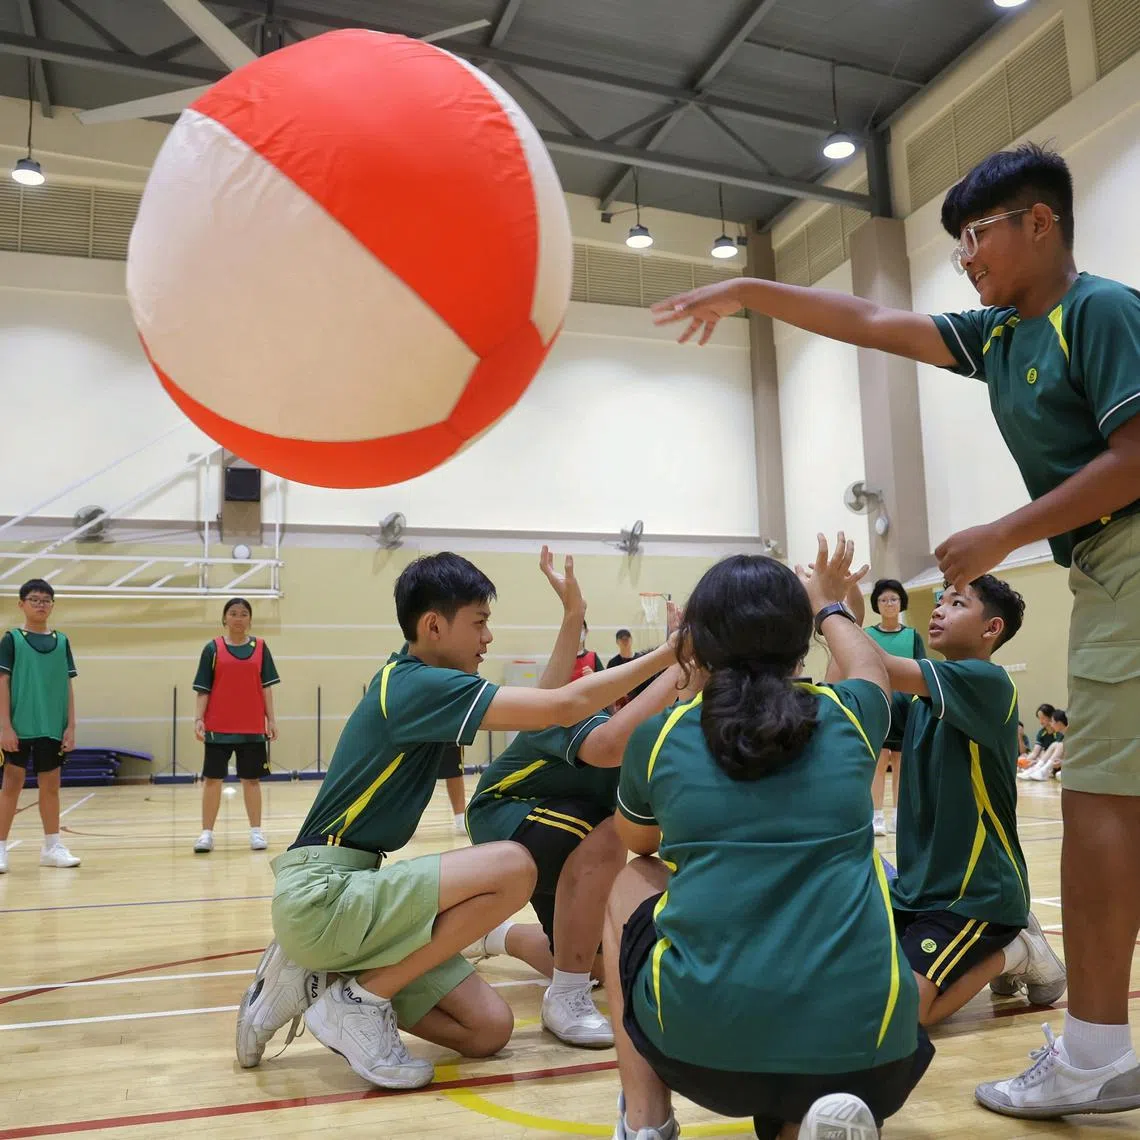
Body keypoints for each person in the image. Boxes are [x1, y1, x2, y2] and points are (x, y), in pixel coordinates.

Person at [653, 142, 1140, 1117]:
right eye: (956, 241)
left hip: (1127, 556)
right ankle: (1095, 1044)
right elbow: (872, 319)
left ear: (1038, 222)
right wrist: (752, 286)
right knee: (1104, 809)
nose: (965, 256)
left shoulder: (1099, 310)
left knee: (1099, 809)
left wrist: (1007, 529)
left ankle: (1097, 1051)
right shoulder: (999, 335)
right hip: (1103, 570)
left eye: (977, 234)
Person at [234, 547, 676, 1091]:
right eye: (480, 622)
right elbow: (564, 708)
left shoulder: (423, 683)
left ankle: (320, 975)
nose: (488, 637)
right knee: (515, 866)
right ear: (434, 626)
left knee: (487, 1030)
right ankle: (360, 999)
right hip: (324, 890)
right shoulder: (413, 685)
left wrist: (570, 621)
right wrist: (675, 654)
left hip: (355, 885)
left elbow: (547, 702)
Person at [605, 534, 931, 1140]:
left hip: (702, 1053)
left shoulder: (661, 738)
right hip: (871, 1053)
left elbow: (637, 839)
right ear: (800, 638)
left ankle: (646, 1122)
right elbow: (870, 668)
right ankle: (809, 1118)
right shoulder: (852, 716)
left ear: (695, 643)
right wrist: (827, 603)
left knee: (632, 879)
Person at [466, 584, 687, 1048]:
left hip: (569, 832)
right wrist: (682, 660)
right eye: (668, 703)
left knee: (592, 964)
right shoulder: (576, 716)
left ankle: (495, 936)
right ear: (625, 702)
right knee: (609, 834)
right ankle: (565, 997)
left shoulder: (660, 745)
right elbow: (609, 749)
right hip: (504, 815)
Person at [861, 576, 1067, 1031]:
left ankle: (1016, 950)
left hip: (975, 895)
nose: (937, 610)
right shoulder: (921, 700)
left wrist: (829, 610)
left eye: (956, 603)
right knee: (851, 983)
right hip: (919, 890)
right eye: (939, 601)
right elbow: (861, 676)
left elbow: (876, 663)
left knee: (903, 1015)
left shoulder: (988, 680)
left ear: (991, 628)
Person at [0, 579, 80, 872]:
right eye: (34, 599)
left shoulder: (62, 641)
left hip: (52, 727)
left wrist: (70, 727)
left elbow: (67, 685)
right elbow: (2, 682)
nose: (40, 604)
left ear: (52, 605)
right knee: (11, 785)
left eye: (46, 600)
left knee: (51, 787)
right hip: (19, 727)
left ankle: (52, 847)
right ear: (21, 604)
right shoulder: (12, 639)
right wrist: (4, 727)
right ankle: (0, 848)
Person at [192, 597, 280, 854]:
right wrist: (199, 719)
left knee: (251, 780)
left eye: (243, 614)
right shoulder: (212, 649)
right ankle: (206, 834)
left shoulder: (261, 648)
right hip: (218, 726)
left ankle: (256, 831)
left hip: (252, 726)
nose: (238, 618)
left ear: (250, 619)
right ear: (224, 618)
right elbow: (203, 690)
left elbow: (266, 688)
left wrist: (271, 720)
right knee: (212, 780)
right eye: (233, 613)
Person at [851, 578, 926, 835]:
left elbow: (922, 671)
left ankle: (898, 816)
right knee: (879, 761)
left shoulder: (912, 636)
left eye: (893, 599)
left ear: (901, 603)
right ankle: (877, 816)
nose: (889, 604)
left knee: (902, 763)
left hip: (906, 707)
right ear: (877, 605)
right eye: (883, 599)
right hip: (879, 703)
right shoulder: (868, 635)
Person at [1021, 709, 1067, 782]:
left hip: (1066, 764)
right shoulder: (1042, 732)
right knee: (1054, 745)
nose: (1051, 724)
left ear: (1059, 723)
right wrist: (1027, 761)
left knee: (1059, 745)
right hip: (1058, 763)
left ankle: (1044, 769)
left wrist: (1063, 762)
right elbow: (1035, 752)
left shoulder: (1066, 735)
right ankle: (1040, 768)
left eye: (1052, 721)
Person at [436, 744, 468, 835]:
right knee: (415, 771)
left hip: (448, 732)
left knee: (454, 767)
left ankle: (460, 818)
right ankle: (408, 820)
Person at [1018, 703, 1056, 769]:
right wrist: (1025, 760)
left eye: (1043, 718)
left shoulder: (1058, 731)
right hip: (1043, 759)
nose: (1041, 721)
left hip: (1054, 759)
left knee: (1042, 753)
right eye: (1039, 718)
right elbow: (1035, 753)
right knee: (1023, 757)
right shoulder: (1041, 733)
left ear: (1051, 716)